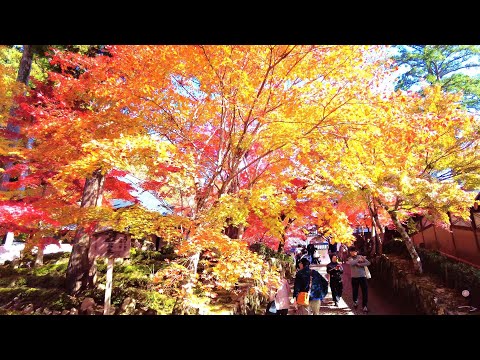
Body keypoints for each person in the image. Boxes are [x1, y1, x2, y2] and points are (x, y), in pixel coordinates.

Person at [346, 246, 370, 313]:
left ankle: (365, 306)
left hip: (363, 277)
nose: (353, 253)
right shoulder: (350, 258)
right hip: (354, 278)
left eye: (354, 251)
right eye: (351, 251)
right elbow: (352, 263)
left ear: (356, 251)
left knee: (365, 292)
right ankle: (355, 302)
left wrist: (360, 264)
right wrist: (358, 260)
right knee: (355, 291)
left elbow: (368, 263)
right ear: (350, 252)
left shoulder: (360, 256)